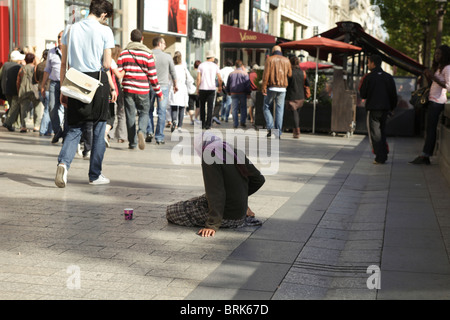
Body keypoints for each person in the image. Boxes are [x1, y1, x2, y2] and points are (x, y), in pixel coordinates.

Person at [55, 0, 117, 188]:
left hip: (74, 79)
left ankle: (63, 164)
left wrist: (62, 89)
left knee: (74, 128)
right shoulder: (105, 31)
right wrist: (113, 87)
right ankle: (95, 174)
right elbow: (107, 64)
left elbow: (64, 62)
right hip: (96, 82)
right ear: (104, 15)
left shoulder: (70, 29)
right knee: (99, 128)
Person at [166, 132, 265, 237]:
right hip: (239, 213)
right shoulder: (233, 150)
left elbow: (216, 192)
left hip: (228, 217)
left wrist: (212, 224)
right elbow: (259, 179)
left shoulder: (209, 156)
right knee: (196, 200)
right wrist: (240, 197)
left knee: (171, 211)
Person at [116, 29, 163, 150]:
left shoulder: (124, 53)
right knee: (144, 112)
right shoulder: (148, 54)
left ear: (131, 39)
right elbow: (152, 75)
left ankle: (132, 143)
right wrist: (159, 92)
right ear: (142, 39)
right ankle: (141, 130)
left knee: (130, 115)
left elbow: (119, 72)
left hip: (128, 89)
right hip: (143, 89)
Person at [410, 45, 450, 165]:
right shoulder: (439, 67)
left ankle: (425, 155)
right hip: (432, 100)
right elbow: (435, 84)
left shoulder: (447, 68)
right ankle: (425, 155)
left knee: (431, 129)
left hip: (438, 102)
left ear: (445, 55)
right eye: (435, 53)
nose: (436, 56)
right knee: (429, 129)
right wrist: (429, 77)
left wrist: (433, 77)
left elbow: (448, 86)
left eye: (439, 54)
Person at [359, 54, 397, 164]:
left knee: (375, 133)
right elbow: (393, 94)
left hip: (373, 108)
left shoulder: (369, 77)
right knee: (382, 131)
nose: (367, 65)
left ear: (373, 63)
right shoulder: (388, 77)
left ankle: (379, 156)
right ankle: (383, 153)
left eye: (368, 62)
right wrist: (392, 107)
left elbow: (363, 94)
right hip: (385, 109)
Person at [147, 36, 177, 145]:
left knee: (148, 110)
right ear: (159, 43)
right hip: (163, 87)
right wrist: (175, 84)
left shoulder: (148, 54)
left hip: (149, 86)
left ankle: (149, 132)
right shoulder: (167, 57)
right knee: (162, 112)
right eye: (164, 44)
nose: (165, 46)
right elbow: (173, 72)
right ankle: (159, 137)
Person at [41, 30, 67, 144]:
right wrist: (42, 85)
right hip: (54, 83)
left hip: (66, 83)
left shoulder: (70, 50)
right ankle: (57, 131)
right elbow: (47, 70)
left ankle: (66, 134)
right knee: (51, 108)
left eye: (62, 37)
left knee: (67, 109)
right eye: (58, 37)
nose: (60, 39)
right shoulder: (52, 51)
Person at [261, 45, 292, 138]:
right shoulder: (287, 60)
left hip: (272, 87)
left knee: (266, 107)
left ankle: (270, 127)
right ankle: (278, 132)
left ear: (273, 51)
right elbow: (290, 74)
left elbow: (266, 75)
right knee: (280, 110)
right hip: (282, 88)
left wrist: (263, 87)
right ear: (280, 51)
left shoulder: (270, 59)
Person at [16, 53, 44, 133]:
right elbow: (38, 79)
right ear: (33, 60)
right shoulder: (35, 68)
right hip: (34, 90)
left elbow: (18, 80)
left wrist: (19, 90)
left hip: (24, 90)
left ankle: (23, 126)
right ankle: (36, 126)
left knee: (23, 108)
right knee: (37, 107)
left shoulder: (22, 69)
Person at [197, 50, 222, 130]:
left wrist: (198, 88)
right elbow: (219, 78)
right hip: (211, 88)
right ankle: (208, 125)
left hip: (202, 88)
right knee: (210, 107)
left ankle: (202, 124)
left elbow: (198, 78)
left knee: (202, 107)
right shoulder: (215, 66)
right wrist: (220, 86)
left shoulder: (201, 65)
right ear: (212, 57)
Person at [1, 50, 25, 132]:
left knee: (12, 106)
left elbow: (1, 76)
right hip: (15, 90)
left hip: (6, 89)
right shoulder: (18, 67)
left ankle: (14, 123)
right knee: (14, 107)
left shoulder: (5, 65)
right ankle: (9, 122)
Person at [285, 56, 309, 139]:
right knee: (297, 113)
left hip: (292, 96)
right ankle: (295, 131)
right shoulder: (303, 72)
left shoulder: (290, 73)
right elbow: (308, 83)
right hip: (301, 96)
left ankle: (297, 131)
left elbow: (286, 84)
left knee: (295, 114)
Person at [169, 51, 192, 132]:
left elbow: (169, 79)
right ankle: (179, 126)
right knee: (182, 108)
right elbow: (190, 79)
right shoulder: (183, 68)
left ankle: (174, 120)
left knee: (174, 107)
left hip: (174, 88)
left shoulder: (172, 68)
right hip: (182, 89)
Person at [226, 60, 251, 128]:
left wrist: (228, 91)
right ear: (241, 65)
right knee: (243, 107)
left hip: (234, 93)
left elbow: (228, 84)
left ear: (235, 65)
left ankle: (235, 123)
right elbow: (247, 84)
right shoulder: (245, 73)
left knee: (234, 108)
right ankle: (242, 122)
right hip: (243, 93)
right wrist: (248, 93)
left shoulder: (231, 74)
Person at [35, 49, 52, 136]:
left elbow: (36, 77)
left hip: (40, 88)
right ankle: (44, 130)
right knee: (48, 110)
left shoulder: (39, 65)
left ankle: (49, 130)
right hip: (49, 88)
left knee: (47, 109)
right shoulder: (51, 64)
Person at [188, 60, 201, 124]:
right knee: (198, 105)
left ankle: (191, 120)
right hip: (198, 91)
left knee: (191, 106)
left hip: (191, 91)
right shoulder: (200, 73)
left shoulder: (190, 72)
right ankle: (196, 118)